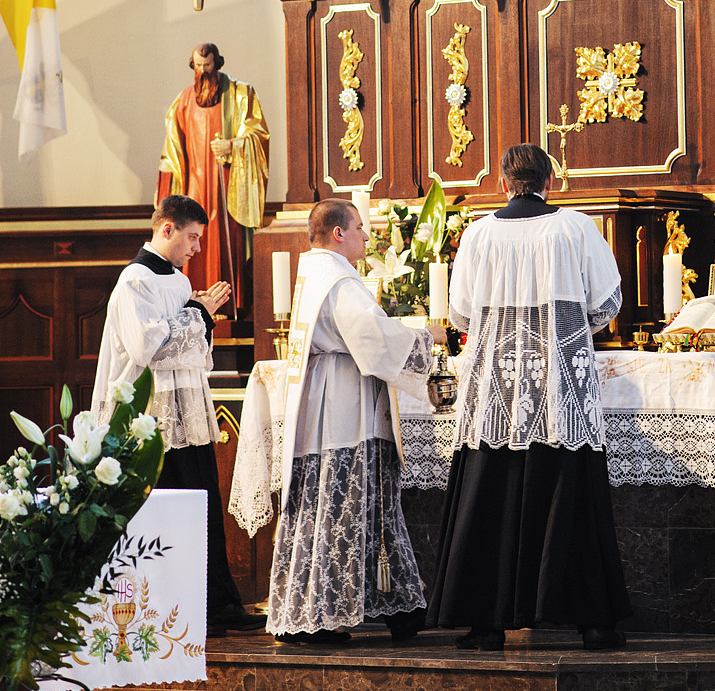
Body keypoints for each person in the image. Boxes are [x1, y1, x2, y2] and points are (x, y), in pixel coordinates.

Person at [428, 143, 631, 651]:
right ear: (550, 181)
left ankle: (485, 622)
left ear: (502, 182)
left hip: (495, 383)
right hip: (561, 384)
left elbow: (462, 315)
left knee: (490, 491)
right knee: (572, 492)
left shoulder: (478, 233)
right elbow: (607, 302)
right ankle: (593, 622)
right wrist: (564, 334)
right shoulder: (575, 227)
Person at [267, 199, 445, 646]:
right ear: (338, 233)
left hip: (328, 402)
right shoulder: (338, 280)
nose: (367, 236)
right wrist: (426, 338)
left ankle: (377, 609)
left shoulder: (313, 273)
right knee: (352, 501)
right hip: (345, 409)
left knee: (341, 506)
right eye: (360, 228)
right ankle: (329, 617)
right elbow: (369, 337)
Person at [92, 194, 266, 635]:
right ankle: (171, 607)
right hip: (152, 420)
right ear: (165, 229)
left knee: (202, 506)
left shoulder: (179, 281)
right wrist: (198, 313)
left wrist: (197, 313)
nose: (196, 248)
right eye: (191, 237)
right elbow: (146, 347)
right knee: (165, 511)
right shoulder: (135, 280)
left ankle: (217, 605)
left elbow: (192, 351)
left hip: (189, 414)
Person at [157, 43, 269, 315]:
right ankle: (193, 306)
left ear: (217, 64)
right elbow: (171, 151)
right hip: (193, 186)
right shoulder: (183, 100)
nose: (203, 71)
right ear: (192, 66)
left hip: (227, 185)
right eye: (198, 66)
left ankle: (230, 307)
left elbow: (258, 135)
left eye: (208, 66)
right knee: (192, 240)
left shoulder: (241, 94)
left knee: (222, 239)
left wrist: (235, 146)